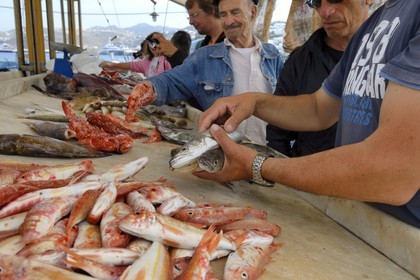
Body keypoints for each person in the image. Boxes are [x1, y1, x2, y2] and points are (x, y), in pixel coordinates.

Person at [195, 0, 420, 228]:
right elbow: (319, 109)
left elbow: (393, 171)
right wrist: (254, 101)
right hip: (353, 222)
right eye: (315, 1)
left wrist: (259, 166)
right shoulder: (370, 28)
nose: (324, 12)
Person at [141, 0, 283, 144]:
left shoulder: (273, 56)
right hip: (224, 153)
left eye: (235, 12)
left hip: (269, 152)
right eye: (223, 14)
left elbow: (287, 105)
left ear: (253, 12)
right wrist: (147, 87)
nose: (228, 21)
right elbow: (170, 82)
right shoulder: (203, 58)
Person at [266, 0, 372, 157]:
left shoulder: (398, 56)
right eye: (315, 2)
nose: (323, 12)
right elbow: (277, 136)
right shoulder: (299, 61)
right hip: (306, 177)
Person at [153, 0, 226, 111]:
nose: (190, 22)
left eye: (193, 15)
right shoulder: (204, 44)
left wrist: (175, 54)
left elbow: (197, 81)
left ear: (211, 10)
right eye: (189, 17)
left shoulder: (228, 44)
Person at [99, 32, 171, 78]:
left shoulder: (169, 59)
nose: (156, 46)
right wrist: (112, 65)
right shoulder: (148, 62)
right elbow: (132, 65)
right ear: (148, 46)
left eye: (158, 42)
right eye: (152, 43)